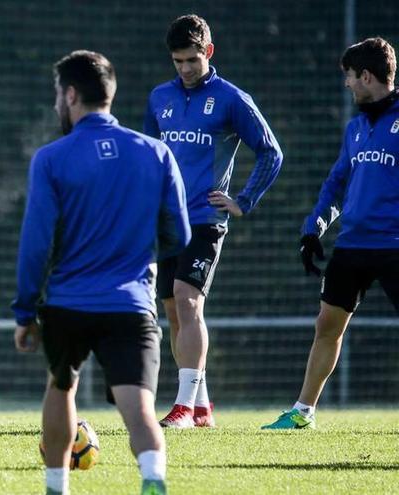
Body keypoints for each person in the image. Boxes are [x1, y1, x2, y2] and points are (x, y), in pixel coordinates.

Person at [14, 50, 191, 495]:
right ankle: (152, 478)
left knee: (61, 387)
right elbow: (180, 234)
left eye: (59, 93)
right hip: (131, 302)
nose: (58, 102)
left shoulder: (51, 158)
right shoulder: (156, 152)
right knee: (139, 408)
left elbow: (36, 244)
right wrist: (140, 255)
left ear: (71, 94)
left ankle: (57, 486)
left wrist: (24, 311)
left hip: (68, 302)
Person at [144, 14, 283, 428]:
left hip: (206, 219)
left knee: (188, 300)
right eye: (177, 61)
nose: (185, 69)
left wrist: (243, 199)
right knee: (172, 309)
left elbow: (270, 151)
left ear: (209, 52)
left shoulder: (231, 99)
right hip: (167, 221)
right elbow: (152, 156)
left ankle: (183, 407)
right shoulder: (159, 98)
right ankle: (201, 406)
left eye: (191, 59)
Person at [263, 37, 399, 430]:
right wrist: (313, 230)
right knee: (327, 325)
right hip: (352, 245)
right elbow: (337, 184)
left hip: (394, 246)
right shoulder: (356, 128)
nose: (347, 85)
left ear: (368, 76)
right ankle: (303, 412)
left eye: (351, 77)